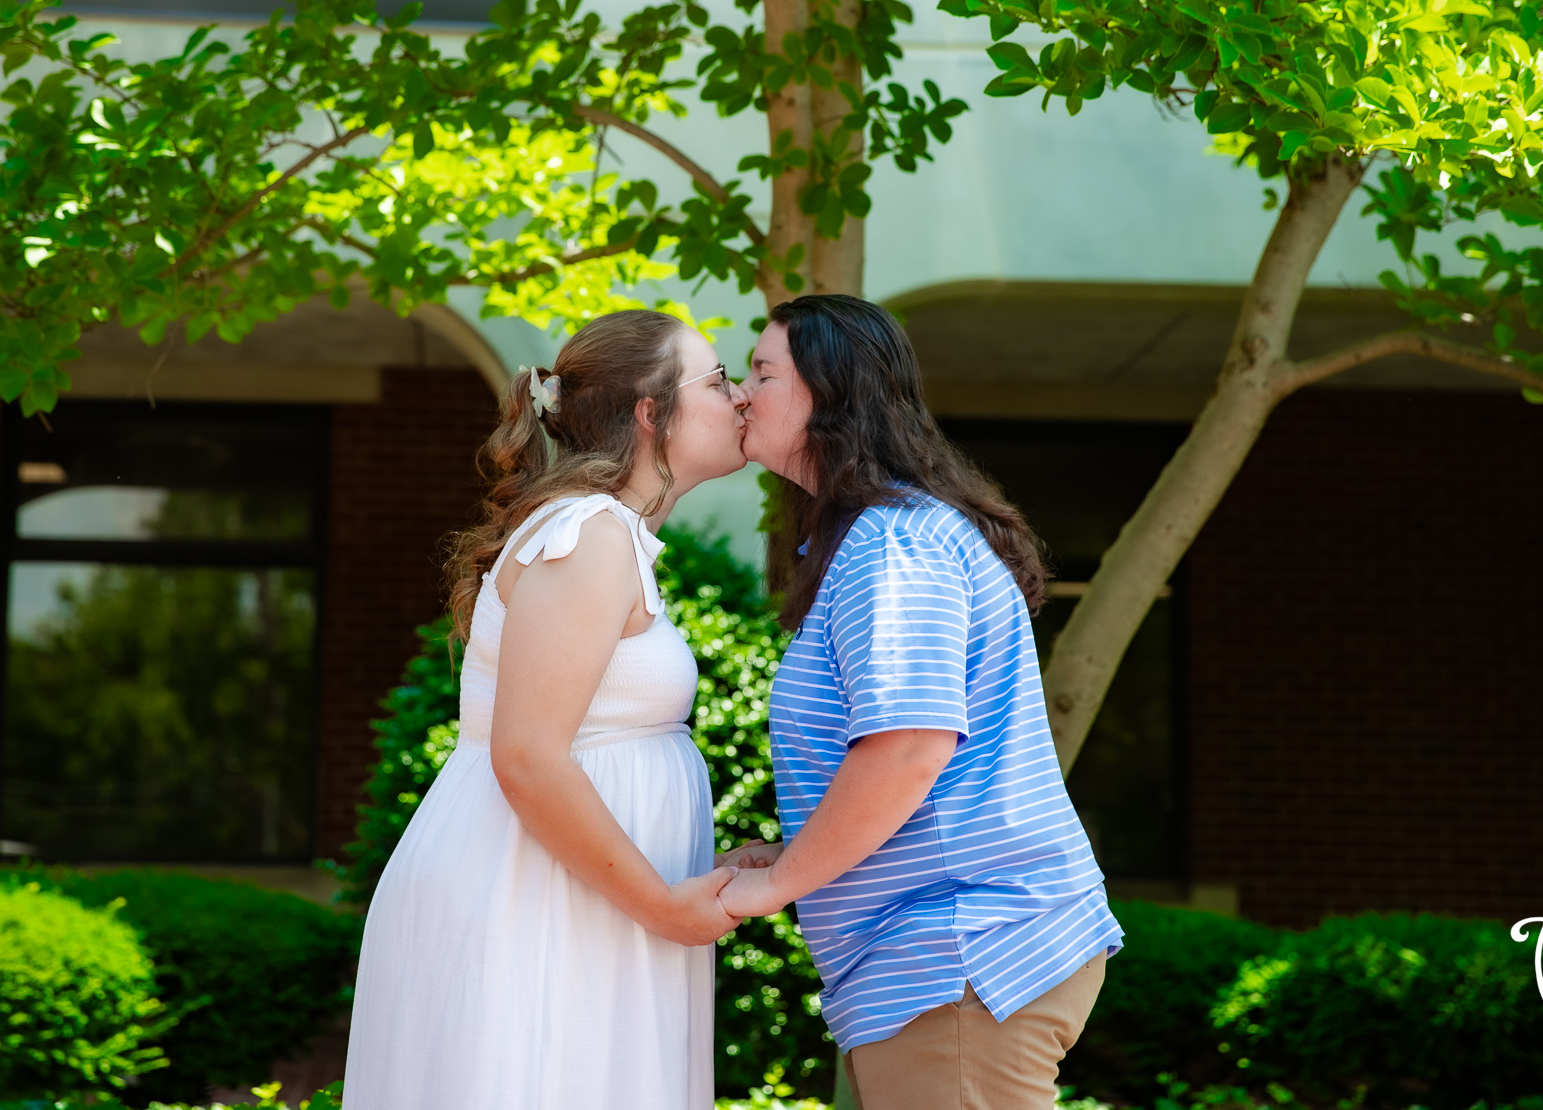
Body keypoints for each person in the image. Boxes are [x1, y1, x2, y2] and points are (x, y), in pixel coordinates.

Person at [343, 308, 773, 1109]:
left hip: (581, 900)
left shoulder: (610, 536)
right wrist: (663, 907)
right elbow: (529, 755)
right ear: (650, 412)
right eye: (718, 381)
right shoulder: (589, 536)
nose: (741, 396)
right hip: (532, 904)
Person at [720, 294, 1124, 1110]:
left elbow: (909, 747)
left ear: (829, 395)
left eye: (762, 373)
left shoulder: (892, 542)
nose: (740, 393)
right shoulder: (884, 536)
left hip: (957, 953)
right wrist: (800, 850)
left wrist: (780, 883)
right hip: (949, 954)